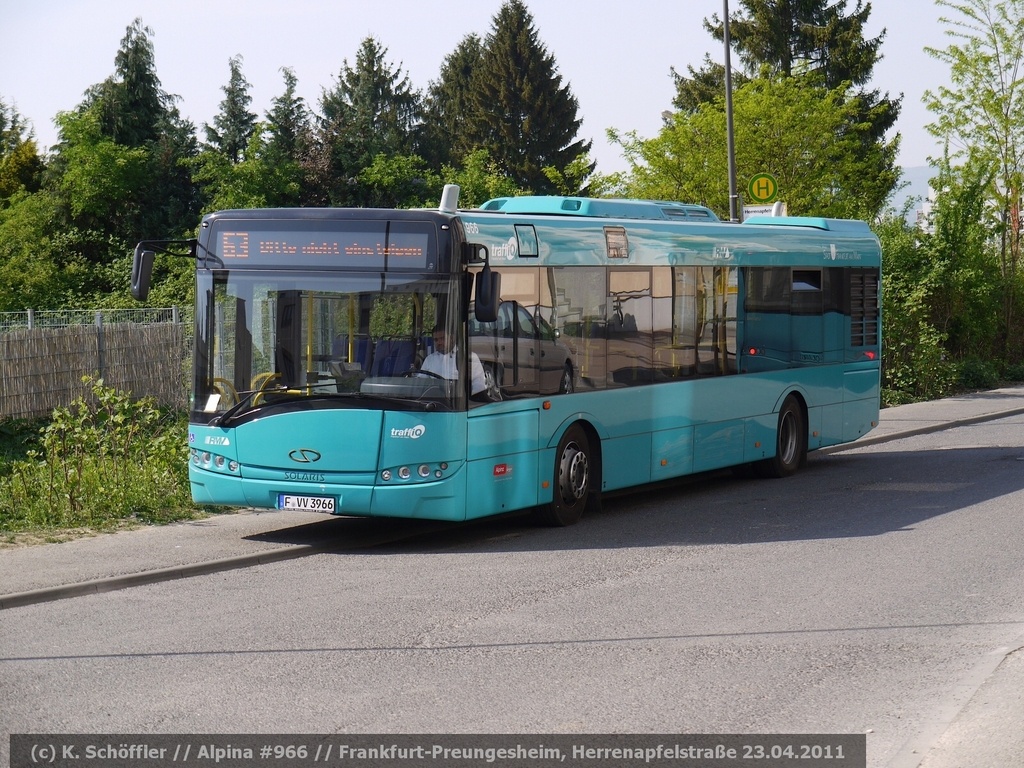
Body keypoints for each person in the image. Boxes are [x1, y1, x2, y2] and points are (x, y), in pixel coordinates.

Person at [420, 325, 487, 396]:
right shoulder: (429, 359)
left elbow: (479, 386)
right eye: (436, 340)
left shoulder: (468, 357)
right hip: (435, 402)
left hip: (460, 402)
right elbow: (421, 383)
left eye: (443, 339)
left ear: (452, 338)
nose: (439, 342)